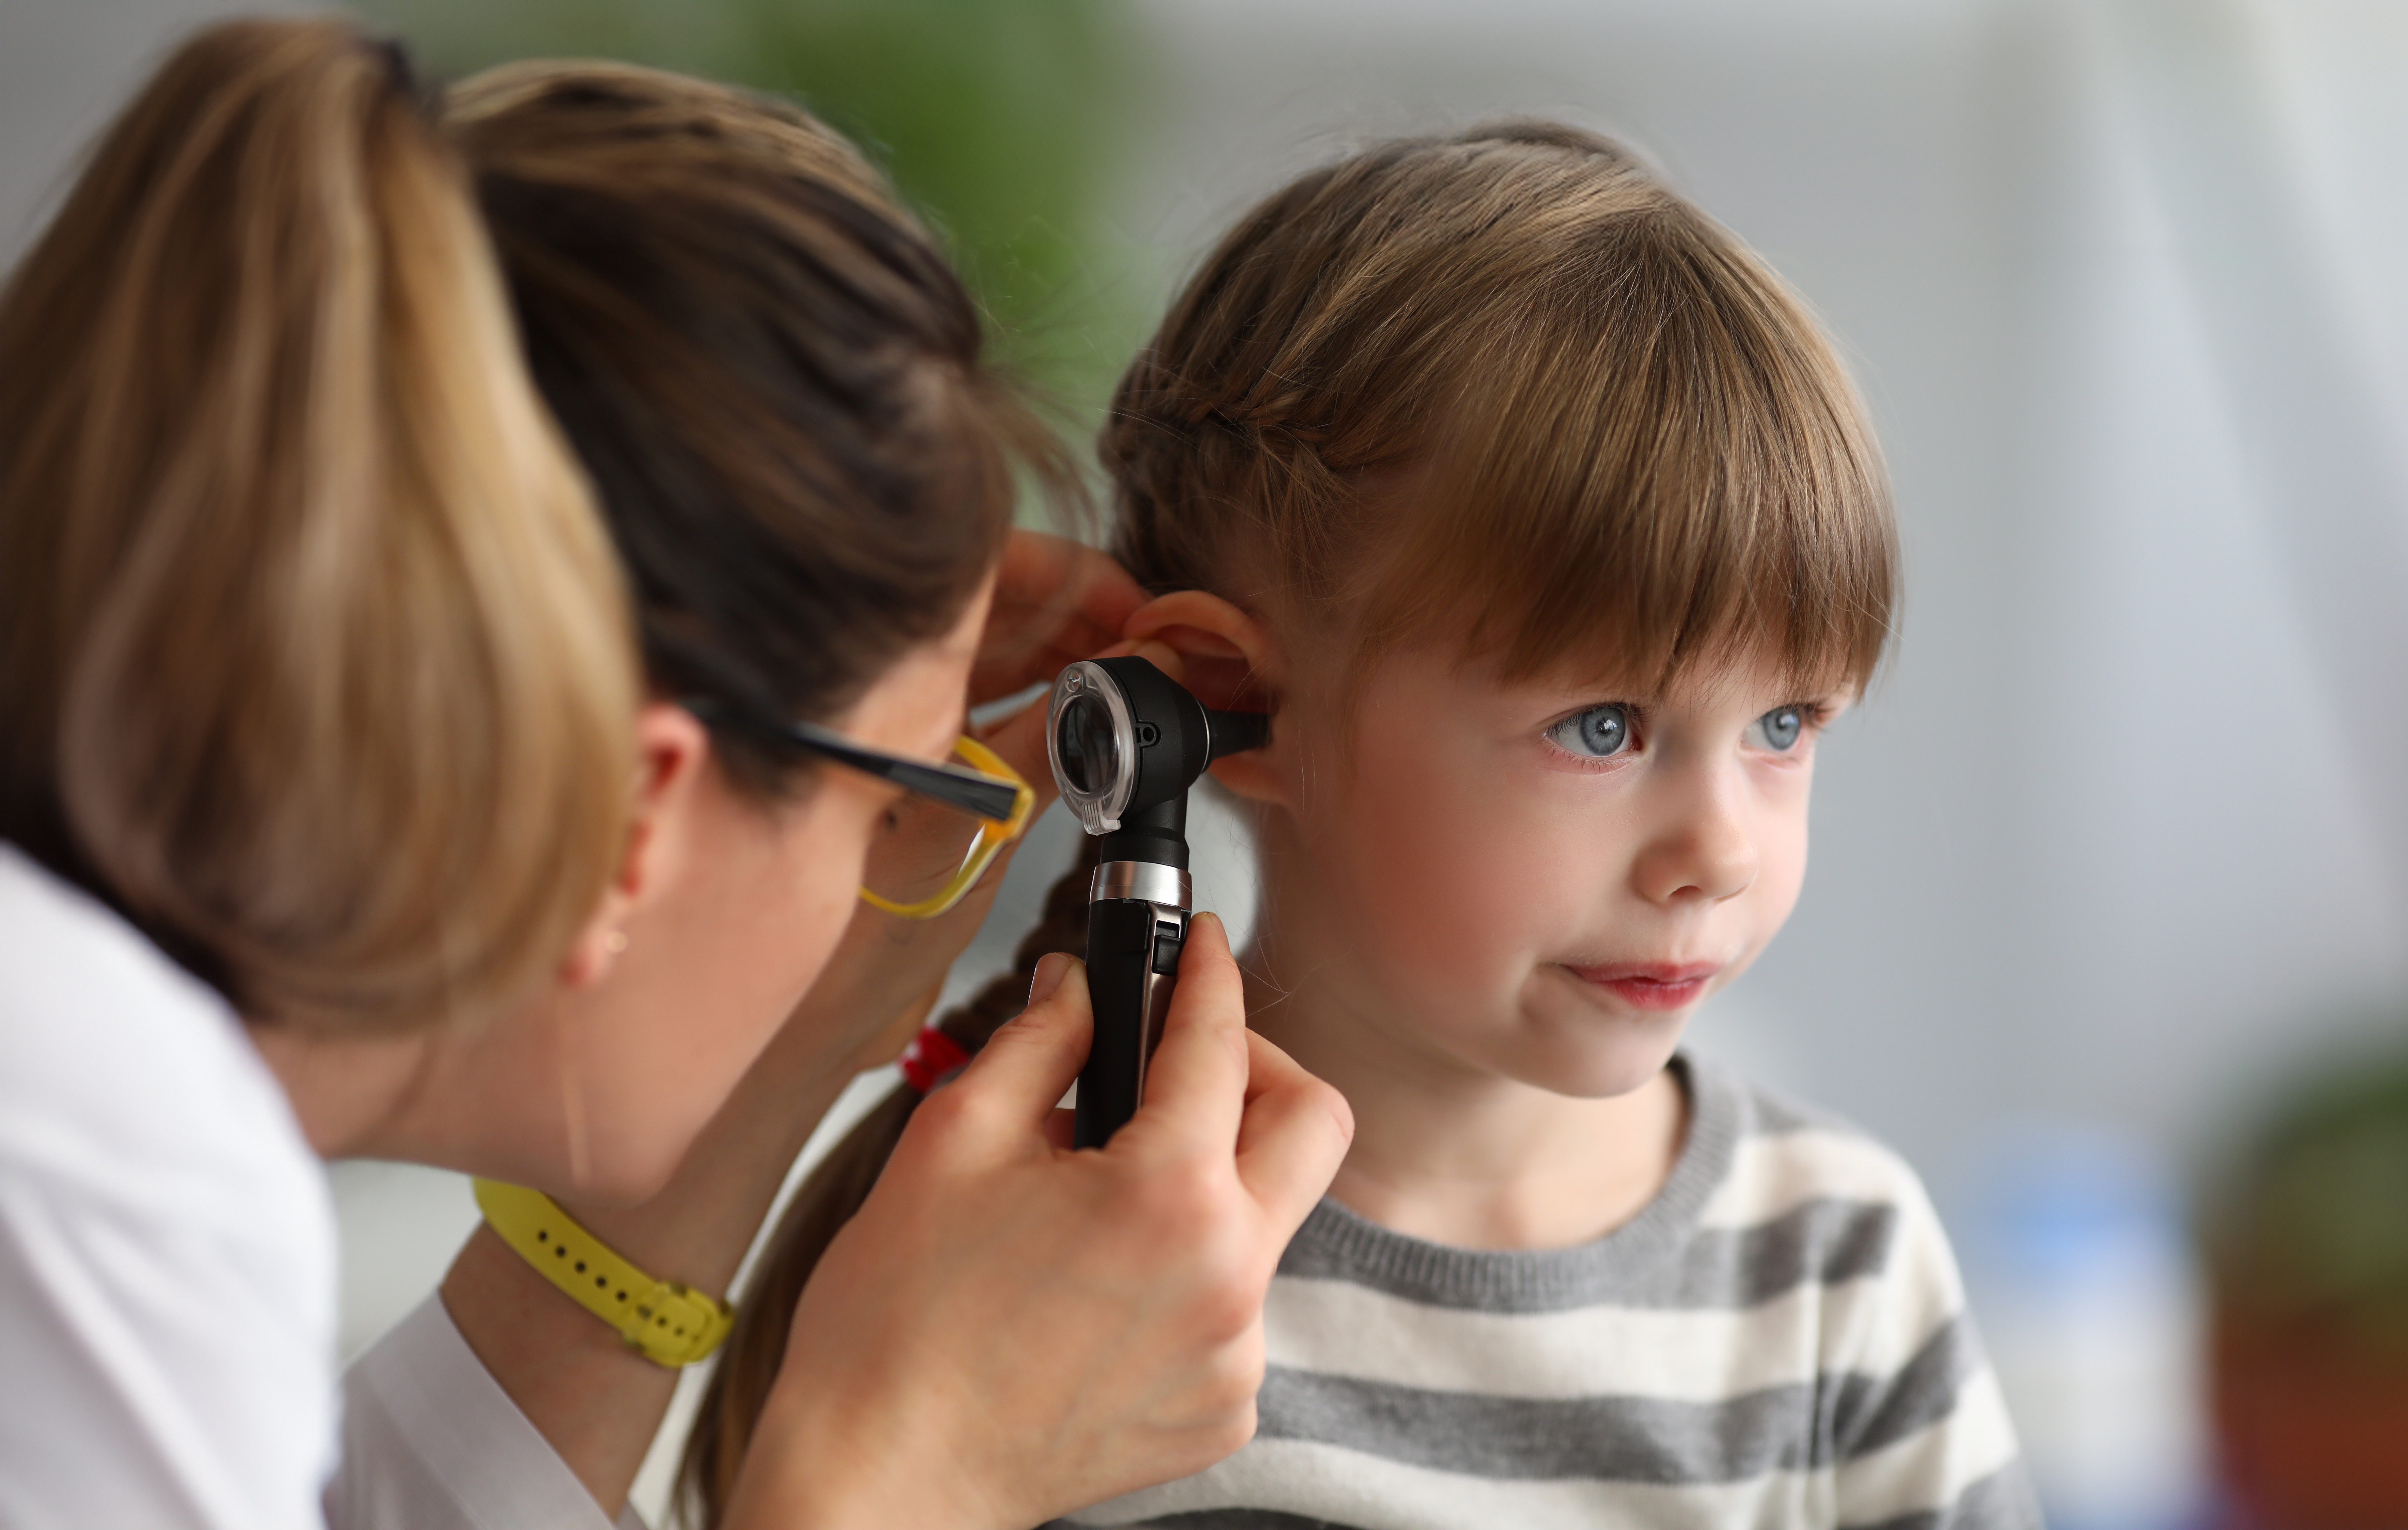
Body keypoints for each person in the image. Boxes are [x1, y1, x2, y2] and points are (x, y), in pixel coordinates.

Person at [0, 20, 1349, 1530]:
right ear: (639, 810)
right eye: (897, 793)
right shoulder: (97, 1174)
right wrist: (908, 1463)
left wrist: (752, 1092)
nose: (902, 866)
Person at [686, 123, 2044, 1528]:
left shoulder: (1836, 1264)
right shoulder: (1057, 1272)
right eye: (1601, 725)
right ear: (1229, 698)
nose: (1722, 851)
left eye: (1785, 725)